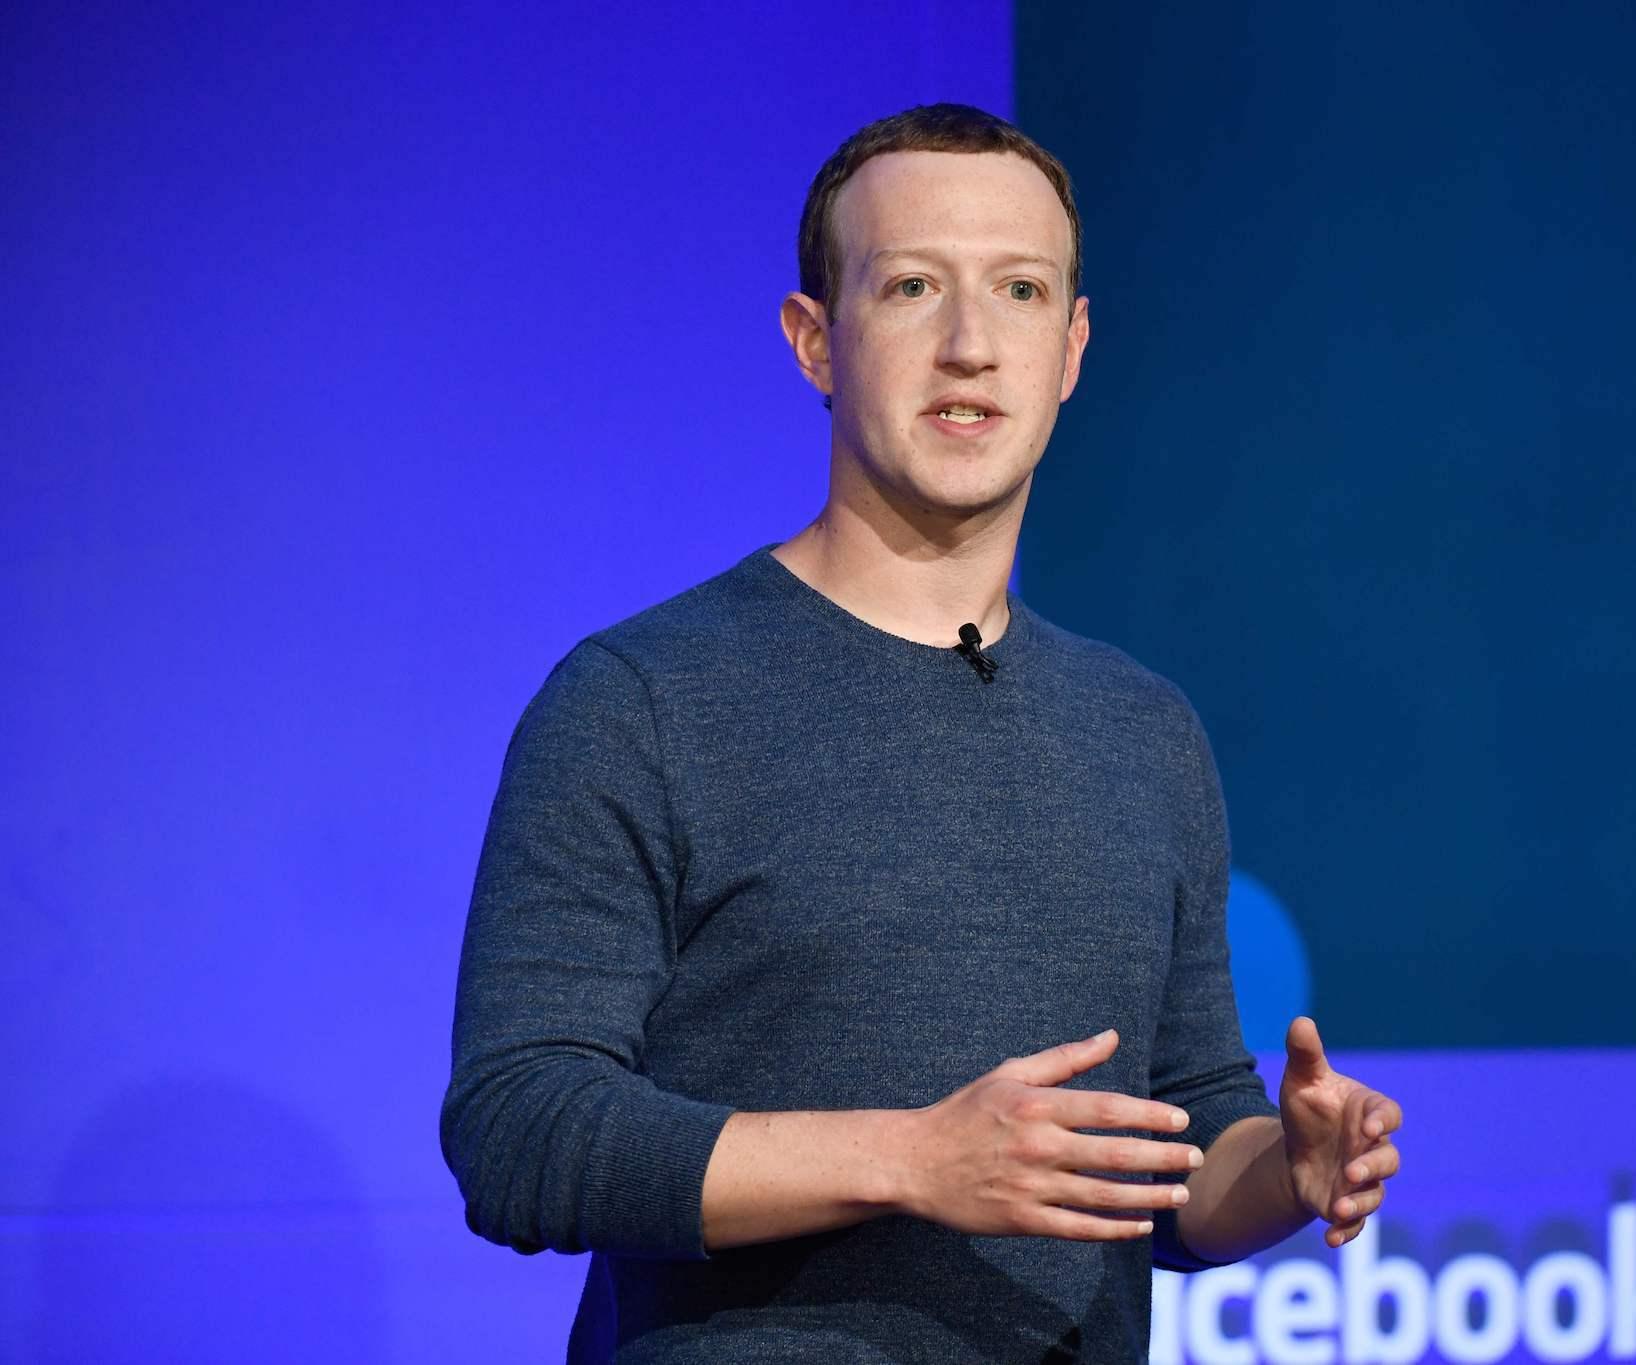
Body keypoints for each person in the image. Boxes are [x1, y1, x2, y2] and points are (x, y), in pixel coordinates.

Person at [441, 103, 1403, 1363]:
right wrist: (909, 1159)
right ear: (814, 342)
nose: (967, 346)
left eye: (1016, 290)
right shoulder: (640, 698)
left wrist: (1285, 1166)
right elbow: (521, 1131)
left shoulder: (1143, 730)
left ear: (1069, 347)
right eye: (908, 287)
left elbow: (1178, 1150)